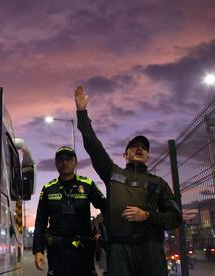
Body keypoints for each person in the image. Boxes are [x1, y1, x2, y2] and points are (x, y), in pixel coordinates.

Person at [74, 85, 182, 276]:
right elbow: (93, 146)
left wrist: (147, 216)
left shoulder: (158, 183)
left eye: (143, 147)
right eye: (134, 146)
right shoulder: (113, 173)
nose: (139, 148)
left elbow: (175, 218)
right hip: (119, 250)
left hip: (151, 249)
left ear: (148, 156)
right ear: (125, 154)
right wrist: (82, 113)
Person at [33, 146, 106, 276]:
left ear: (75, 162)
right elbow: (40, 222)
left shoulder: (87, 184)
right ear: (56, 164)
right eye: (60, 160)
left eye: (68, 159)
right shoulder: (48, 189)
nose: (64, 163)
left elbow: (106, 208)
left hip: (83, 250)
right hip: (57, 252)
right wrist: (38, 250)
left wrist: (102, 233)